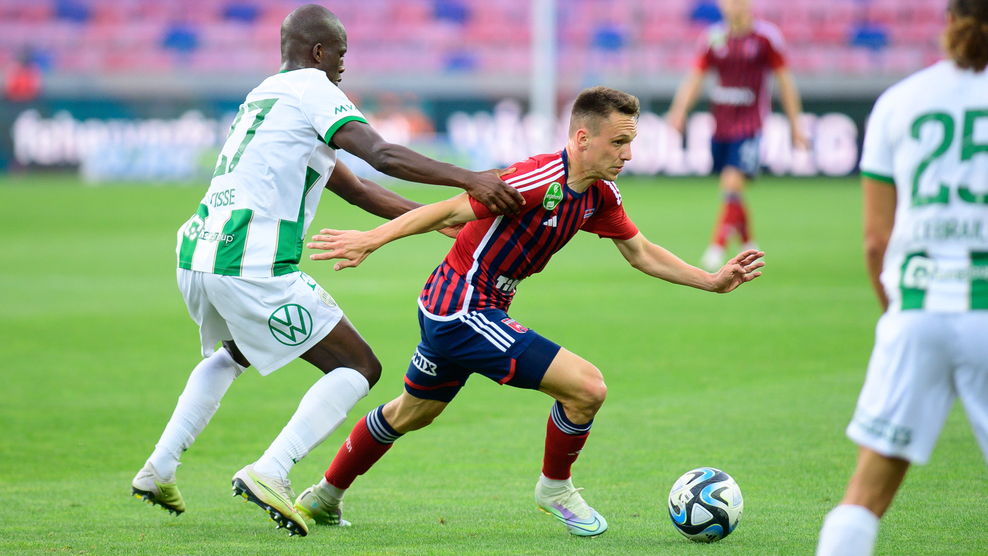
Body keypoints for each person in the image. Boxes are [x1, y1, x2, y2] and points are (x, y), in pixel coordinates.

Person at [293, 86, 765, 537]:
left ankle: (324, 496)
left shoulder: (600, 194)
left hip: (457, 306)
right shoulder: (537, 179)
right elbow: (448, 211)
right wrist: (370, 240)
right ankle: (555, 488)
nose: (628, 154)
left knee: (411, 412)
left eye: (631, 142)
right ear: (583, 138)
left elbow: (641, 252)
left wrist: (711, 280)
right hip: (463, 307)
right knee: (587, 388)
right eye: (618, 142)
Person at [130, 4, 523, 538]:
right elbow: (380, 154)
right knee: (358, 366)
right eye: (340, 53)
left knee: (235, 352)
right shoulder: (314, 88)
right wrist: (469, 179)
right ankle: (271, 470)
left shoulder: (266, 95)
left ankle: (159, 467)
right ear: (318, 52)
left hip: (199, 251)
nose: (343, 65)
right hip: (249, 258)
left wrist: (434, 220)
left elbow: (357, 188)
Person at [816, 1, 988, 554]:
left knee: (864, 496)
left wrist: (897, 312)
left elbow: (876, 241)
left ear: (949, 20)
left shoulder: (900, 101)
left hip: (917, 308)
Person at [667, 0, 806, 271]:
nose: (734, 7)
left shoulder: (766, 38)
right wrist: (679, 110)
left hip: (751, 125)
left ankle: (715, 248)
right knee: (733, 190)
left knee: (731, 184)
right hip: (721, 126)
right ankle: (748, 243)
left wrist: (795, 125)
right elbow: (696, 77)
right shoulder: (713, 38)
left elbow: (785, 82)